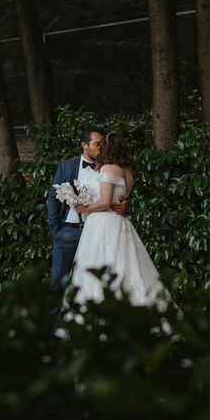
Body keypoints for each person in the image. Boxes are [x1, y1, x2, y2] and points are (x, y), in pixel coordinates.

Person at [71, 132, 166, 308]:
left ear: (107, 148)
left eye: (101, 145)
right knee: (129, 267)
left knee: (102, 266)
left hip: (103, 224)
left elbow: (106, 201)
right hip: (119, 223)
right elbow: (118, 197)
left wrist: (84, 208)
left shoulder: (107, 168)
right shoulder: (127, 172)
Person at [48, 127, 129, 298]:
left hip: (99, 233)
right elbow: (54, 197)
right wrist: (56, 231)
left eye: (103, 144)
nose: (101, 148)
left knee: (92, 282)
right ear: (84, 145)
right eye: (97, 144)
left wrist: (126, 204)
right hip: (69, 231)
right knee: (58, 282)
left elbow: (115, 194)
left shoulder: (108, 167)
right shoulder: (66, 166)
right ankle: (54, 324)